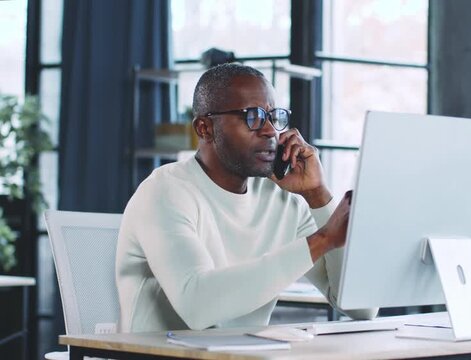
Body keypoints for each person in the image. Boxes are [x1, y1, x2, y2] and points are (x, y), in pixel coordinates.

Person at [115, 63, 377, 332]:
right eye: (252, 116)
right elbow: (198, 307)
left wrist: (317, 196)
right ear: (205, 128)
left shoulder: (284, 201)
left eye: (274, 117)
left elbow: (362, 306)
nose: (269, 131)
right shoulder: (164, 192)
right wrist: (322, 239)